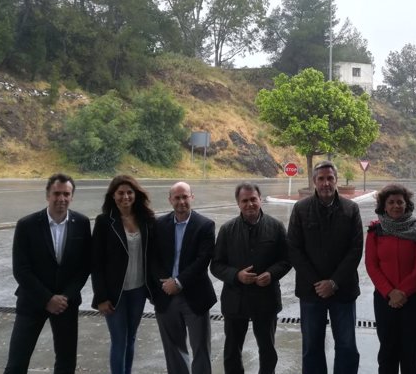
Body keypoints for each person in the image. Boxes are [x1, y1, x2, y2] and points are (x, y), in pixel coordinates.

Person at [3, 173, 92, 374]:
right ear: (47, 195)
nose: (61, 198)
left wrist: (65, 297)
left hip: (65, 304)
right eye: (56, 193)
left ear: (72, 196)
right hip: (32, 301)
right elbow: (21, 269)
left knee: (66, 363)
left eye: (66, 194)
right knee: (16, 362)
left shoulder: (82, 223)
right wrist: (47, 298)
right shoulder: (27, 225)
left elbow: (84, 267)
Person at [287, 160, 363, 374]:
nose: (326, 183)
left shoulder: (351, 209)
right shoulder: (301, 209)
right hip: (311, 292)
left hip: (344, 290)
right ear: (314, 182)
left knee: (347, 346)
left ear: (336, 180)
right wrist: (317, 283)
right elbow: (294, 248)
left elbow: (355, 250)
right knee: (311, 347)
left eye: (330, 178)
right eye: (321, 179)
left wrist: (334, 282)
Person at [211, 182, 291, 374]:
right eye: (244, 201)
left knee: (267, 350)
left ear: (260, 199)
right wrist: (236, 275)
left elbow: (287, 260)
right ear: (238, 203)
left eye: (253, 199)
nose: (250, 204)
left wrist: (271, 274)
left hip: (266, 299)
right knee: (231, 351)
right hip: (235, 300)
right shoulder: (227, 230)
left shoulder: (276, 227)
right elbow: (216, 265)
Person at [150, 181, 217, 374]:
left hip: (195, 297)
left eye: (185, 197)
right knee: (173, 350)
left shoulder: (205, 225)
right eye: (177, 197)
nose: (181, 201)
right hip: (165, 296)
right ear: (170, 200)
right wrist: (164, 282)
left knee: (201, 350)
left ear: (191, 197)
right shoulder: (159, 225)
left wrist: (178, 282)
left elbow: (203, 259)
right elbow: (152, 258)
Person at [91, 175, 155, 374]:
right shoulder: (104, 222)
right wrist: (101, 297)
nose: (125, 197)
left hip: (138, 290)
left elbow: (154, 256)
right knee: (119, 340)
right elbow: (96, 263)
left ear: (136, 194)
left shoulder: (147, 220)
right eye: (120, 193)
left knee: (131, 338)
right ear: (113, 195)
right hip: (114, 294)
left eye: (129, 192)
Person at [365, 183, 416, 374]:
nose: (396, 206)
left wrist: (402, 293)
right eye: (391, 202)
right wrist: (390, 292)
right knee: (387, 350)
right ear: (383, 206)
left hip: (413, 298)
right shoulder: (375, 231)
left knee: (410, 350)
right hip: (385, 299)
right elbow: (372, 265)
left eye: (400, 202)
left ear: (406, 204)